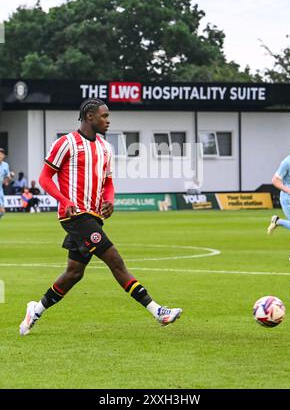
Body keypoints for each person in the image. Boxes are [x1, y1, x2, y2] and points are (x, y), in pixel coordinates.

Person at [20, 98, 182, 335]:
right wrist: (64, 200)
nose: (108, 121)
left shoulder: (106, 148)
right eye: (104, 116)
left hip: (94, 216)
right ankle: (158, 310)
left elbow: (108, 182)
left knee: (74, 273)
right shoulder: (66, 143)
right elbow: (45, 178)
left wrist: (110, 201)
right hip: (75, 217)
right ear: (89, 117)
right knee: (115, 260)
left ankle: (36, 309)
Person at [267, 136, 290, 261]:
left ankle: (277, 221)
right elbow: (275, 180)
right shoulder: (287, 162)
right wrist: (288, 189)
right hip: (289, 199)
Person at [0, 148, 15, 220]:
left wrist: (10, 176)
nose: (0, 155)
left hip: (0, 189)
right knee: (1, 209)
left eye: (1, 154)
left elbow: (6, 181)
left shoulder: (5, 165)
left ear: (3, 156)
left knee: (2, 212)